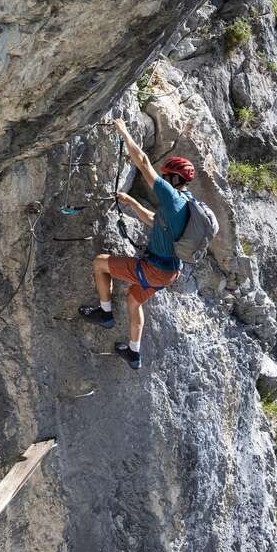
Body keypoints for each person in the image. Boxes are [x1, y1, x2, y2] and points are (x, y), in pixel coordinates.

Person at [78, 119, 194, 370]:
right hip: (170, 273)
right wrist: (131, 202)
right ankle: (133, 353)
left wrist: (123, 131)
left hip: (154, 269)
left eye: (166, 177)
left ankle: (105, 313)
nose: (163, 178)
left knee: (100, 263)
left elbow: (142, 161)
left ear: (174, 179)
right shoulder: (186, 204)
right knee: (133, 300)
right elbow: (154, 220)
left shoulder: (172, 197)